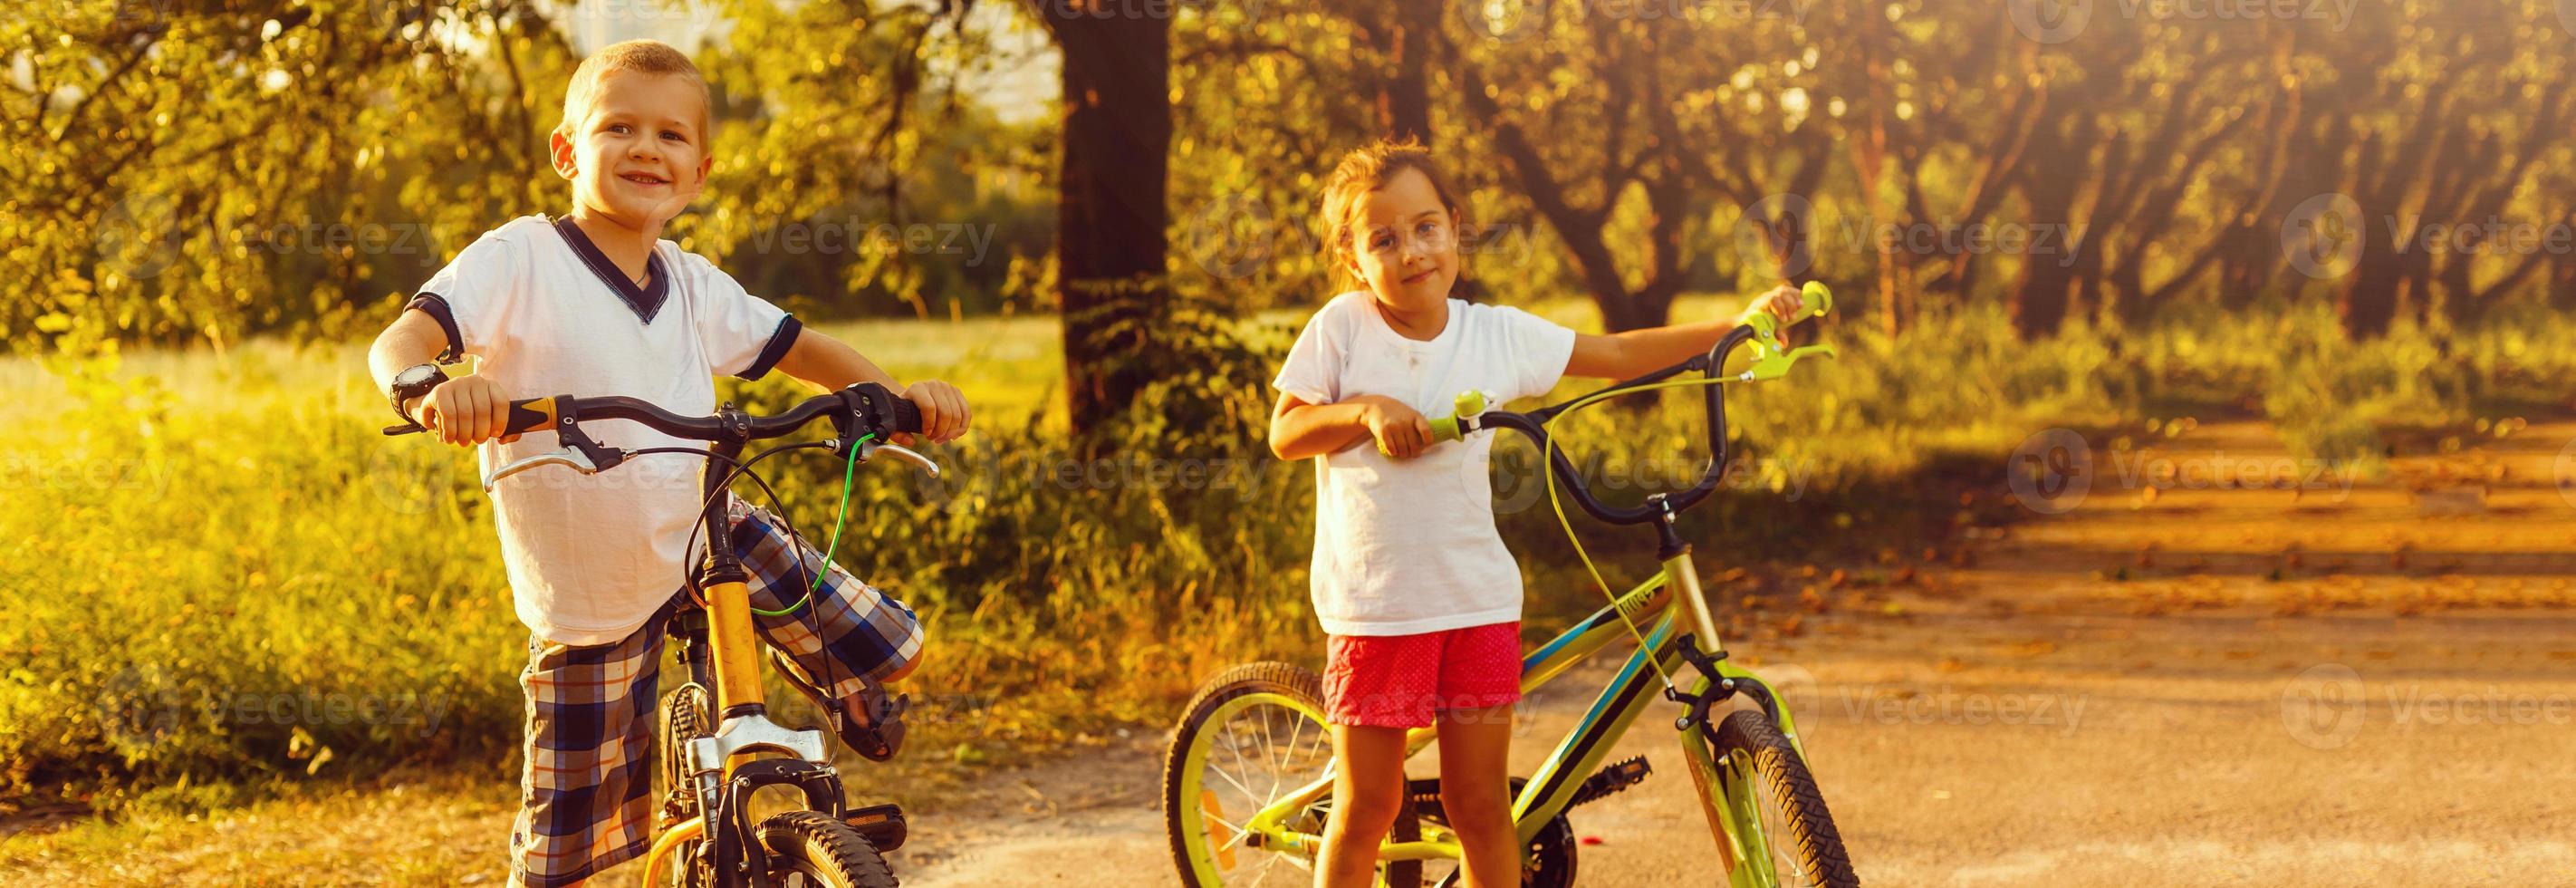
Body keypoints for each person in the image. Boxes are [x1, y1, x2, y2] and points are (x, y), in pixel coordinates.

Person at [362, 39, 970, 887]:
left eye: (671, 136)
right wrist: (427, 384)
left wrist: (899, 402)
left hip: (698, 528)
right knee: (566, 848)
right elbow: (403, 337)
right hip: (588, 587)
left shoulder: (691, 283)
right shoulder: (518, 259)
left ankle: (842, 690)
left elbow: (804, 349)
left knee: (873, 640)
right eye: (620, 127)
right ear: (568, 151)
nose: (647, 147)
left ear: (699, 172)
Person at [1267, 139, 1803, 887]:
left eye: (1426, 228)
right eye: (1384, 239)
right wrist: (1366, 410)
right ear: (1356, 259)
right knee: (1368, 807)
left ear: (1455, 228)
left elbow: (1617, 353)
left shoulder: (1493, 334)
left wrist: (1736, 329)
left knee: (1482, 806)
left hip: (1477, 599)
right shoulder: (1343, 328)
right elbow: (1286, 431)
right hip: (1381, 608)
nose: (1412, 251)